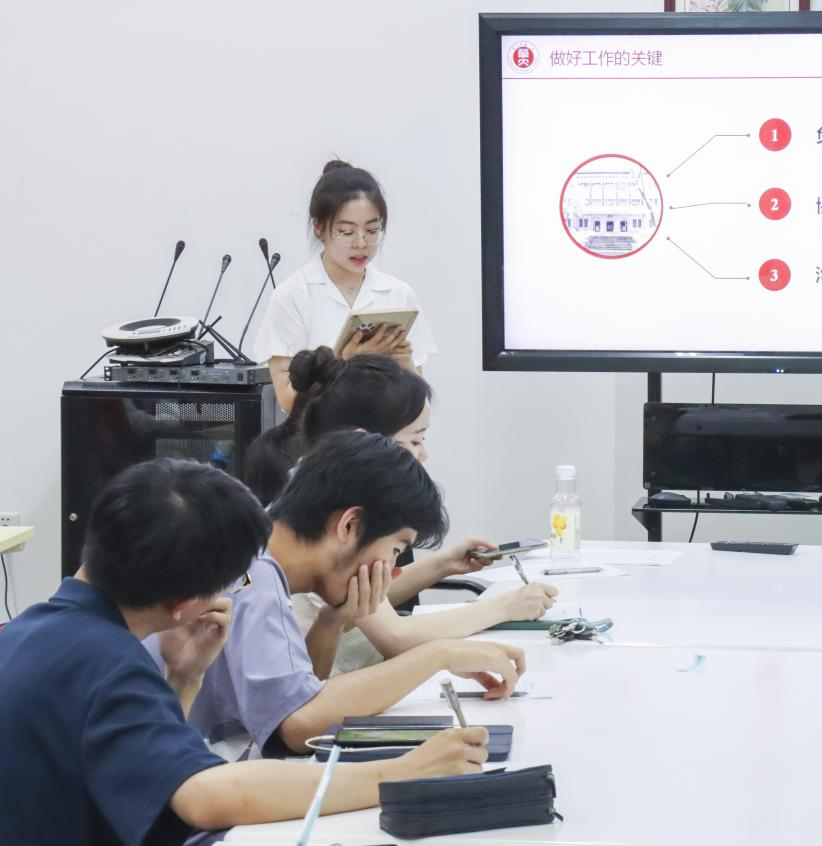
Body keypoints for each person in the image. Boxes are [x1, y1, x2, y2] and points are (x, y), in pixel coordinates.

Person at [0, 459, 488, 845]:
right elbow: (206, 797)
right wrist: (403, 772)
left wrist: (183, 679)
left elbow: (141, 772)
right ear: (188, 604)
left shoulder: (31, 632)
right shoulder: (109, 665)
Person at [153, 431, 525, 760]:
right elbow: (297, 727)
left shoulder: (260, 545)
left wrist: (332, 621)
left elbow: (297, 696)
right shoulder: (256, 574)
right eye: (396, 549)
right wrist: (438, 655)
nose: (391, 568)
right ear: (349, 525)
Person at [246, 347, 555, 677]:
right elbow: (394, 637)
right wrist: (504, 607)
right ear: (366, 442)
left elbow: (360, 598)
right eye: (415, 440)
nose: (423, 454)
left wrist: (443, 564)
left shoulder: (319, 497)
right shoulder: (279, 563)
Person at [253, 160, 438, 413]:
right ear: (319, 228)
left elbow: (420, 406)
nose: (361, 243)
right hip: (323, 436)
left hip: (384, 435)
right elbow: (288, 401)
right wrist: (347, 360)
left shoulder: (399, 294)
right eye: (346, 232)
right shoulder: (292, 295)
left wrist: (405, 363)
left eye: (372, 230)